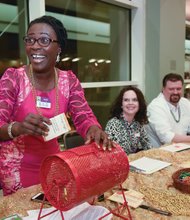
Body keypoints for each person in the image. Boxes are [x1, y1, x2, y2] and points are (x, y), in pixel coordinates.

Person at [0, 15, 113, 196]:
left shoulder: (69, 80)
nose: (35, 46)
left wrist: (93, 129)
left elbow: (83, 114)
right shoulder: (13, 78)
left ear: (58, 48)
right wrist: (18, 127)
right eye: (30, 39)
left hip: (54, 164)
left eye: (44, 40)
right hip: (17, 170)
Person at [146, 73, 190, 147]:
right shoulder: (155, 106)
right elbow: (166, 138)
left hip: (182, 148)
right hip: (160, 153)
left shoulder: (185, 102)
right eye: (171, 89)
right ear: (163, 89)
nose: (175, 92)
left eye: (178, 89)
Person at [105, 86, 151, 154]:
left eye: (134, 100)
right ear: (121, 104)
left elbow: (147, 146)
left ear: (139, 104)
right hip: (118, 163)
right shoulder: (113, 124)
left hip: (133, 162)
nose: (130, 103)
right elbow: (111, 154)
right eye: (126, 100)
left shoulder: (138, 123)